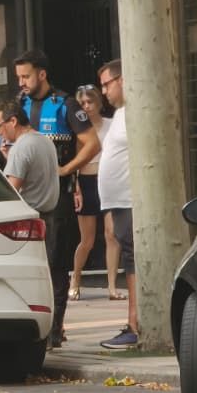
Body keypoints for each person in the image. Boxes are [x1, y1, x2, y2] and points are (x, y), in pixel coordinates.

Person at [16, 50, 98, 345]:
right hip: (25, 200)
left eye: (26, 76)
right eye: (19, 77)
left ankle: (54, 331)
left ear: (42, 74)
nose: (22, 82)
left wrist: (66, 169)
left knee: (55, 263)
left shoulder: (65, 104)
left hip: (57, 198)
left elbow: (92, 143)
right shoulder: (21, 104)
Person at [95, 59, 137, 349]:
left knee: (133, 260)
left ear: (122, 80)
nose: (104, 92)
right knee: (128, 258)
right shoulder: (119, 114)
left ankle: (135, 324)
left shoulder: (135, 112)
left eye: (106, 84)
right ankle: (133, 323)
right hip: (117, 202)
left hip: (131, 199)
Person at [68, 84, 109, 300]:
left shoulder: (110, 125)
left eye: (90, 102)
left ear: (98, 102)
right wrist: (76, 188)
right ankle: (75, 277)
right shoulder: (78, 129)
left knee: (112, 234)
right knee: (88, 240)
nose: (86, 106)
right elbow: (75, 161)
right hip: (86, 180)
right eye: (82, 103)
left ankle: (112, 286)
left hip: (108, 179)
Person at [0, 103, 59, 217]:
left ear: (13, 121)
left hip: (30, 217)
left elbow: (11, 191)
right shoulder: (46, 140)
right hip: (50, 214)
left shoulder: (20, 147)